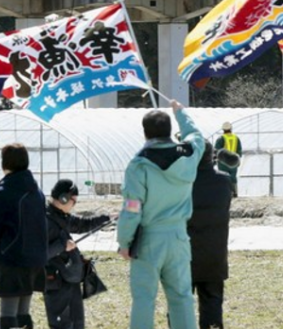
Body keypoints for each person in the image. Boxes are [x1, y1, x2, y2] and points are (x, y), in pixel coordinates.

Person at [116, 100, 205, 329]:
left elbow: (132, 207)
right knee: (182, 296)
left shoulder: (139, 163)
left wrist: (124, 241)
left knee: (145, 298)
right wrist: (180, 113)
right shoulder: (189, 153)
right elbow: (195, 134)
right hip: (178, 237)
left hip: (149, 238)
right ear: (168, 130)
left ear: (145, 133)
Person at [43, 179, 111, 329]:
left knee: (77, 323)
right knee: (62, 325)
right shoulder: (44, 220)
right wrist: (62, 245)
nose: (75, 205)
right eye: (74, 201)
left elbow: (82, 225)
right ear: (63, 198)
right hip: (56, 282)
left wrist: (105, 219)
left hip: (69, 279)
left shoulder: (60, 216)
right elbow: (39, 254)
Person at [0, 143, 48, 329]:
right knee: (23, 313)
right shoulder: (37, 192)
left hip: (11, 259)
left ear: (5, 164)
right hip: (36, 260)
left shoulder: (5, 193)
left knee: (7, 314)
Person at [187, 141, 233, 329]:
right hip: (215, 251)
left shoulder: (180, 182)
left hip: (184, 251)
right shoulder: (224, 180)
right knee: (213, 303)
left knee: (180, 304)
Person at [214, 122, 242, 197]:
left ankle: (225, 193)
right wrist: (238, 161)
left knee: (223, 177)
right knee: (233, 177)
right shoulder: (236, 138)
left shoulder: (221, 138)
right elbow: (239, 150)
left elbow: (216, 151)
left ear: (223, 129)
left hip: (223, 162)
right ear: (231, 129)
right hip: (234, 161)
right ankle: (235, 192)